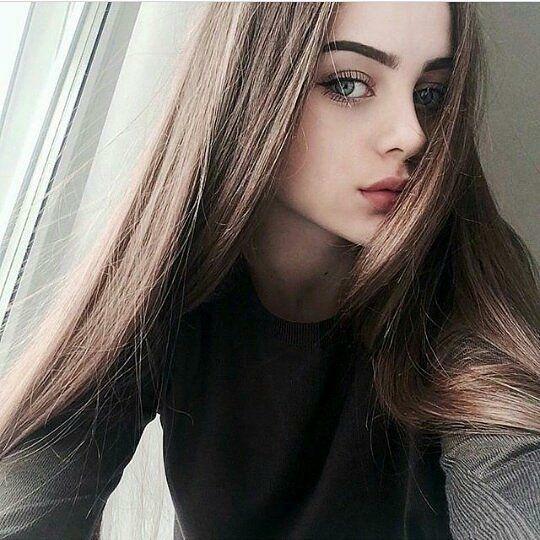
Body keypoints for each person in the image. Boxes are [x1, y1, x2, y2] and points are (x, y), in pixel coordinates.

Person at [1, 2, 539, 539]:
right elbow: (32, 492)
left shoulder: (464, 285)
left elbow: (512, 474)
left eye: (431, 94)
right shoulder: (168, 282)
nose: (412, 134)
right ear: (248, 86)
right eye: (348, 84)